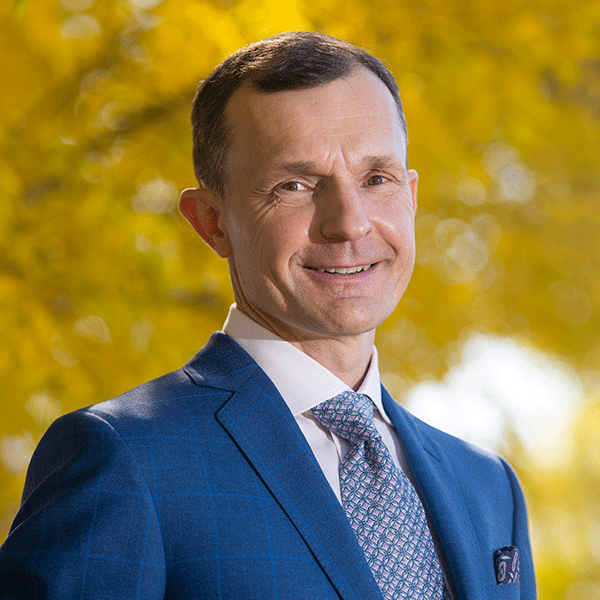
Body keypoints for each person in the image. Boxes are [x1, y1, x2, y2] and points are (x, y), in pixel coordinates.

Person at [0, 32, 536, 599]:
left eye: (376, 179)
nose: (349, 223)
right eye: (295, 185)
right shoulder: (124, 459)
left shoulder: (487, 487)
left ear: (410, 196)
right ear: (212, 222)